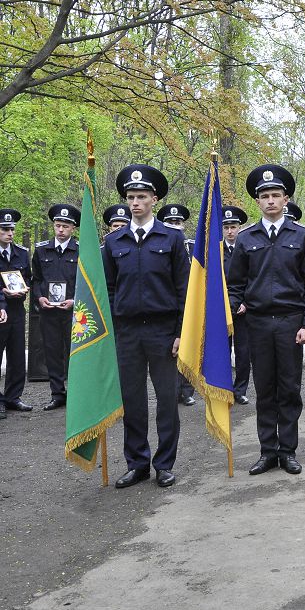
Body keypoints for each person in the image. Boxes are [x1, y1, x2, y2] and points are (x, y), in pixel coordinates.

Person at [228, 165, 305, 476]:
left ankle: (288, 451)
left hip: (291, 322)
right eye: (264, 196)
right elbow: (235, 283)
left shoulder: (302, 236)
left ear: (286, 199)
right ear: (257, 201)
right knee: (264, 388)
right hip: (257, 323)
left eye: (275, 195)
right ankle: (268, 451)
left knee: (289, 388)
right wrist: (232, 307)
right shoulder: (246, 238)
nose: (270, 201)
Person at [102, 165, 189, 488]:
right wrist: (111, 327)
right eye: (130, 197)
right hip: (127, 332)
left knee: (167, 400)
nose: (135, 203)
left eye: (141, 197)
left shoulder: (172, 238)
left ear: (154, 199)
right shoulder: (114, 242)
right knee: (133, 401)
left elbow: (184, 289)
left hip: (163, 331)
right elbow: (108, 289)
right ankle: (137, 463)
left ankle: (164, 464)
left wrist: (181, 331)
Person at [31, 204, 81, 410]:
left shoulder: (80, 249)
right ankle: (57, 394)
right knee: (51, 352)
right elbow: (36, 279)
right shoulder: (42, 249)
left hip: (74, 312)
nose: (61, 230)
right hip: (49, 311)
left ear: (73, 228)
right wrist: (40, 298)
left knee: (75, 353)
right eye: (58, 225)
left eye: (65, 226)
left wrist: (75, 300)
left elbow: (86, 282)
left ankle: (77, 395)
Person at [158, 204, 197, 407]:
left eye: (178, 222)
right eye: (170, 222)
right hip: (169, 303)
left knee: (189, 348)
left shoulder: (192, 245)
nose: (175, 226)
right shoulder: (161, 242)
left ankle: (188, 390)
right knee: (171, 353)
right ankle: (173, 390)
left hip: (191, 302)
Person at [0, 209, 32, 419]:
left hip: (17, 310)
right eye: (5, 229)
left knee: (17, 355)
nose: (10, 233)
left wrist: (25, 288)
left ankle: (13, 397)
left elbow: (27, 277)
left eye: (12, 229)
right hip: (0, 310)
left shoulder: (21, 252)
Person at [221, 205, 249, 404]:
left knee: (243, 352)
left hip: (243, 309)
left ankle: (240, 390)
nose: (230, 231)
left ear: (240, 227)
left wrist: (245, 301)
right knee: (223, 350)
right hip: (222, 309)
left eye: (234, 226)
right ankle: (224, 388)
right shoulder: (214, 252)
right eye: (227, 227)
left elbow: (254, 277)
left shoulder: (247, 247)